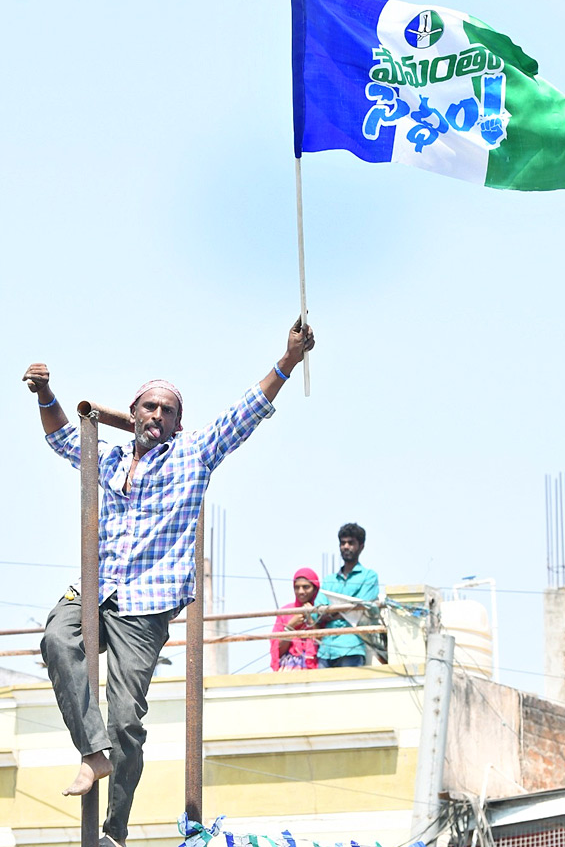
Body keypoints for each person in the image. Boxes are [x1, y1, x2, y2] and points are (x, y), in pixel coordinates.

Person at [22, 318, 314, 847]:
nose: (157, 415)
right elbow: (63, 437)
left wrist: (288, 360)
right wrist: (45, 394)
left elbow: (244, 414)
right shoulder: (105, 456)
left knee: (127, 719)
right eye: (148, 407)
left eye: (167, 410)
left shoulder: (191, 455)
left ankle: (114, 827)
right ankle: (92, 754)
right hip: (96, 588)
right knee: (54, 639)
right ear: (132, 414)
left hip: (146, 604)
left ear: (179, 422)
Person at [315, 522, 379, 668]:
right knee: (322, 690)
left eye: (351, 543)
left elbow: (361, 607)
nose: (346, 546)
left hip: (351, 646)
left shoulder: (369, 576)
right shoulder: (329, 580)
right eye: (342, 543)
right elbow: (317, 612)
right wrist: (345, 610)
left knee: (347, 689)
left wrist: (331, 611)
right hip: (326, 649)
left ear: (361, 546)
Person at [270, 568, 320, 671]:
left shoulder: (322, 610)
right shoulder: (285, 612)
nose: (301, 591)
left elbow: (326, 643)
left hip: (317, 666)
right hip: (289, 668)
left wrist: (311, 620)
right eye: (297, 587)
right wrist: (290, 626)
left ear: (315, 589)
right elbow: (277, 651)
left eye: (306, 587)